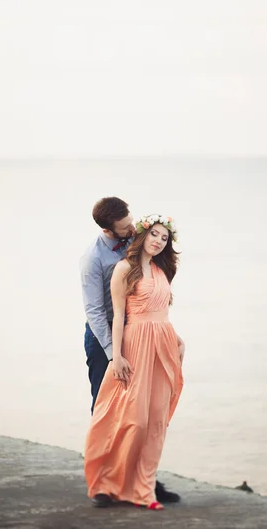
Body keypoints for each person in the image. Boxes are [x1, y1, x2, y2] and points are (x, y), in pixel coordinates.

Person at [80, 199, 182, 506]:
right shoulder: (93, 259)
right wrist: (115, 354)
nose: (130, 229)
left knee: (147, 414)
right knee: (109, 412)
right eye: (125, 227)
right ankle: (104, 483)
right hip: (105, 339)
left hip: (144, 334)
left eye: (132, 223)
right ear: (106, 228)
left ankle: (143, 480)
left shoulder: (141, 245)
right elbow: (95, 312)